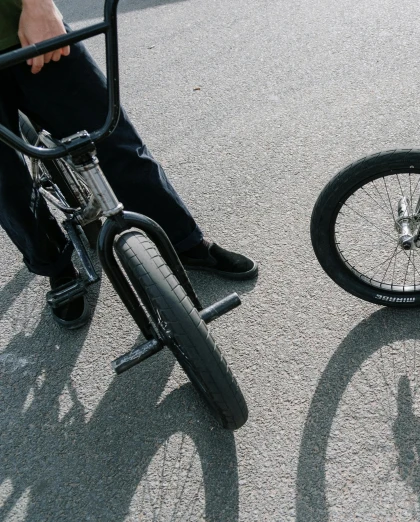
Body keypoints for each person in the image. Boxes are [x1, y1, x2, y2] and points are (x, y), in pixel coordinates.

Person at [0, 0, 258, 329]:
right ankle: (57, 268)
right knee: (6, 188)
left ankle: (182, 241)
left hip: (23, 28)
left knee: (112, 142)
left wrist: (39, 5)